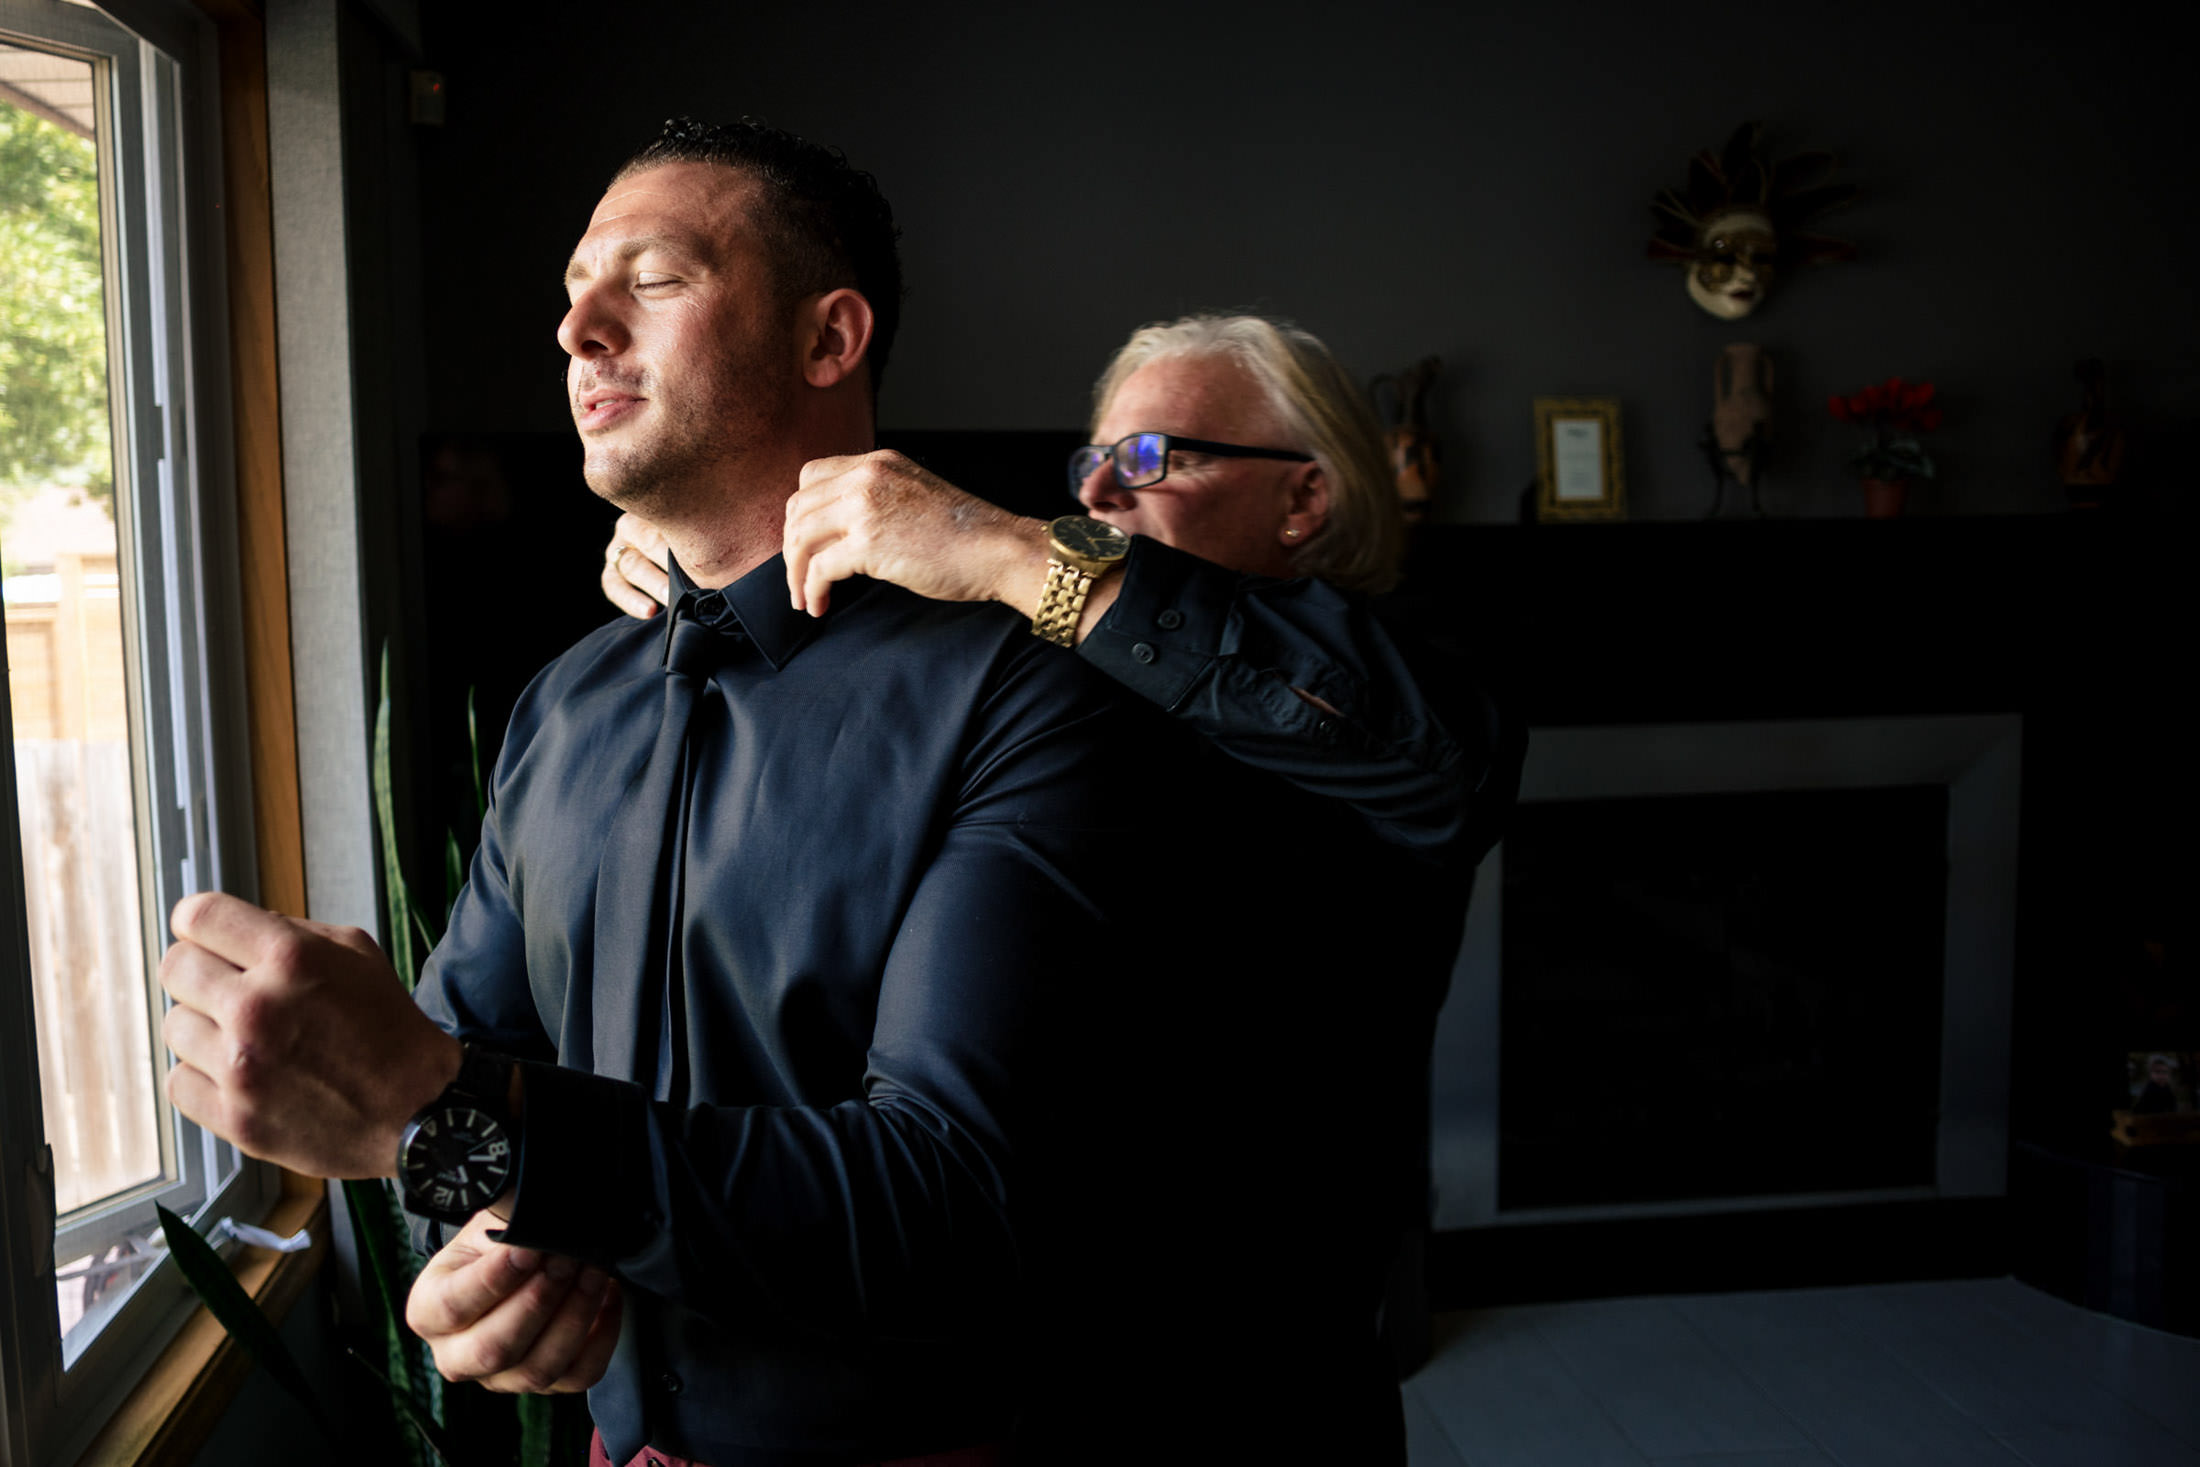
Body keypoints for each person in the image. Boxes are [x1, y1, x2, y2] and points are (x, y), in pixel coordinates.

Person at [158, 119, 1331, 1465]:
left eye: (651, 281)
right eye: (571, 295)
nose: (579, 330)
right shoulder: (560, 706)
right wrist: (472, 1250)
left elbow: (950, 1196)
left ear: (828, 341)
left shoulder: (1031, 697)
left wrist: (453, 1120)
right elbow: (464, 1064)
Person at [601, 313, 1525, 1383]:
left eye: (1146, 460)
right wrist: (712, 551)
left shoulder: (1408, 663)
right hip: (1017, 1335)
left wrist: (1003, 545)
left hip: (1259, 1342)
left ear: (1303, 498)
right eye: (1090, 462)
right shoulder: (1068, 667)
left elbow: (1436, 767)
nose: (1094, 498)